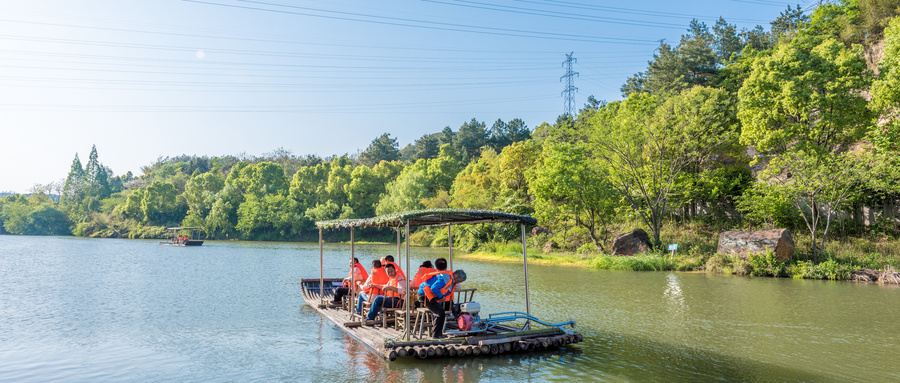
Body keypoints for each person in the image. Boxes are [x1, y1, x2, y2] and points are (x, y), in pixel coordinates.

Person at [418, 258, 456, 338]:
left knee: (440, 311)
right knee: (440, 313)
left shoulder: (438, 274)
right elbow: (434, 288)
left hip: (426, 294)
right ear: (446, 266)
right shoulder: (444, 276)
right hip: (425, 296)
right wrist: (441, 297)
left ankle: (437, 333)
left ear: (436, 267)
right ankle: (436, 335)